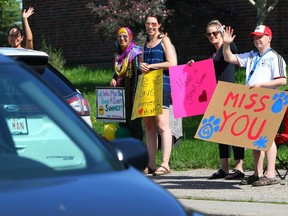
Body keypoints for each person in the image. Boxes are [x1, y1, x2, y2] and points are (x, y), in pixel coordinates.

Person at [223, 25, 287, 186]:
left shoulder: (275, 57)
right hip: (252, 100)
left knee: (267, 136)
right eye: (255, 37)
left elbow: (282, 80)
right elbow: (229, 58)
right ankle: (257, 173)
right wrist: (226, 44)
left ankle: (271, 174)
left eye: (260, 36)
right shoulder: (251, 56)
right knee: (254, 137)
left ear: (269, 38)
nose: (257, 39)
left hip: (268, 99)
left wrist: (261, 85)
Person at [187, 20, 245, 180]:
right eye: (209, 34)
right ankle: (224, 168)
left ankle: (239, 167)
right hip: (216, 95)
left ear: (221, 33)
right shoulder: (213, 54)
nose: (212, 36)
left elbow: (234, 49)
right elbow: (207, 71)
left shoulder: (227, 48)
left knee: (233, 132)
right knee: (220, 132)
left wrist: (227, 41)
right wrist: (194, 66)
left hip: (229, 94)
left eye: (215, 33)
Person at [140, 12, 177, 175]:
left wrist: (152, 66)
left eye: (153, 23)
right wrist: (141, 66)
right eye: (148, 23)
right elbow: (142, 63)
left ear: (159, 25)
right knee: (149, 126)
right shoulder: (145, 42)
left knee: (163, 124)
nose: (150, 26)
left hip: (162, 85)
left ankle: (165, 164)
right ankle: (151, 164)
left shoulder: (165, 40)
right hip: (147, 87)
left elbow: (172, 63)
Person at [110, 27, 143, 141]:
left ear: (130, 37)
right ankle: (126, 146)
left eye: (125, 36)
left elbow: (137, 75)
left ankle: (138, 146)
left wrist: (134, 93)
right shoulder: (119, 55)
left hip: (131, 94)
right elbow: (118, 71)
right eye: (119, 36)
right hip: (120, 95)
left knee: (133, 122)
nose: (122, 39)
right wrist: (114, 78)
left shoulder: (135, 53)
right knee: (122, 122)